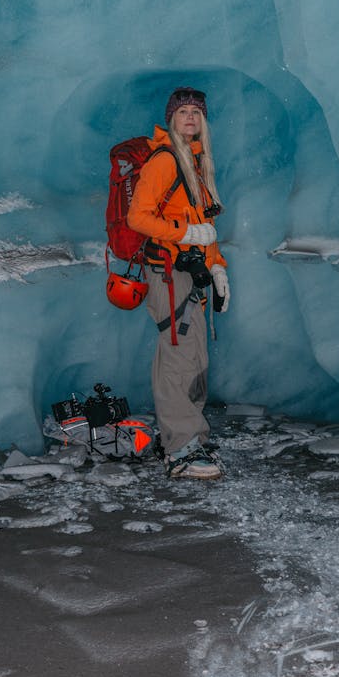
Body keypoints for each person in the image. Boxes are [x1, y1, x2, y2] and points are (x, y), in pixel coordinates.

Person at [127, 86, 230, 480]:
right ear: (172, 118)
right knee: (177, 361)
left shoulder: (197, 161)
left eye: (196, 113)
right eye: (183, 111)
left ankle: (191, 436)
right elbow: (139, 218)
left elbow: (208, 226)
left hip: (192, 275)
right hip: (169, 275)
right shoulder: (165, 161)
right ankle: (179, 450)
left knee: (195, 360)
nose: (190, 118)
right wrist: (185, 233)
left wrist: (217, 266)